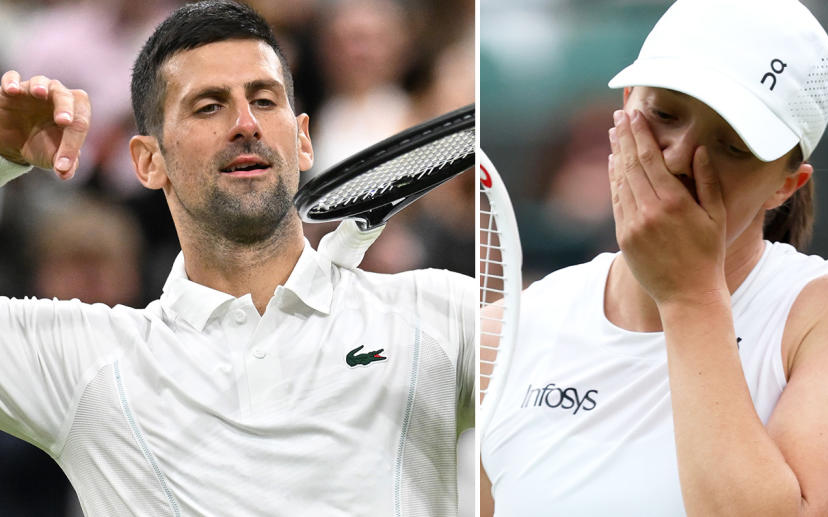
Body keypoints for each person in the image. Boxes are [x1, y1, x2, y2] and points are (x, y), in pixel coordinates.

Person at [0, 1, 473, 515]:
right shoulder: (83, 359)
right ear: (148, 160)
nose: (246, 124)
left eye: (266, 101)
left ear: (303, 139)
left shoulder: (441, 311)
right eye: (209, 106)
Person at [479, 0, 828, 516]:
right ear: (624, 107)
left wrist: (689, 294)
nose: (680, 158)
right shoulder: (503, 334)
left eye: (733, 146)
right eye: (665, 114)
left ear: (785, 185)